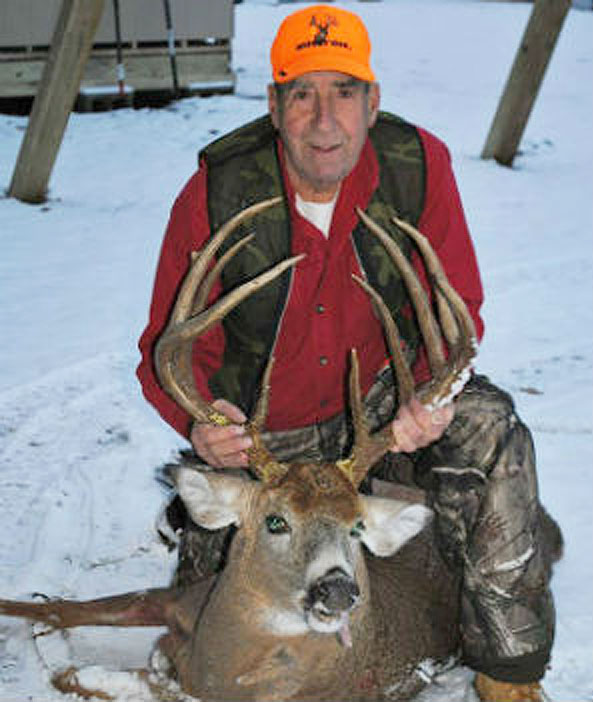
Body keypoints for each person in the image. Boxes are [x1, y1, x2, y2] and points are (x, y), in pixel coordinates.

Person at [137, 5, 559, 701]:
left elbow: (457, 311)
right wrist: (202, 425)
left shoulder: (415, 167)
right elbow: (168, 348)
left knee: (490, 425)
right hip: (266, 440)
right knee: (208, 619)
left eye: (344, 91)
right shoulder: (217, 191)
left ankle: (505, 671)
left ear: (373, 102)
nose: (324, 119)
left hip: (380, 414)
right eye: (302, 94)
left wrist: (427, 397)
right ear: (274, 106)